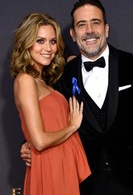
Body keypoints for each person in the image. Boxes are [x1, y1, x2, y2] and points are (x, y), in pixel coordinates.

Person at [20, 0, 133, 195]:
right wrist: (27, 144)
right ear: (72, 34)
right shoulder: (62, 75)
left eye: (95, 22)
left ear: (106, 29)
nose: (89, 30)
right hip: (83, 182)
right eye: (81, 25)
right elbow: (44, 116)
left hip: (132, 182)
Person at [10, 12, 91, 195]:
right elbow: (38, 141)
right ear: (26, 44)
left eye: (52, 41)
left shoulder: (44, 82)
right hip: (49, 169)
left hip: (62, 167)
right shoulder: (25, 80)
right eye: (40, 41)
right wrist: (72, 126)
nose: (48, 48)